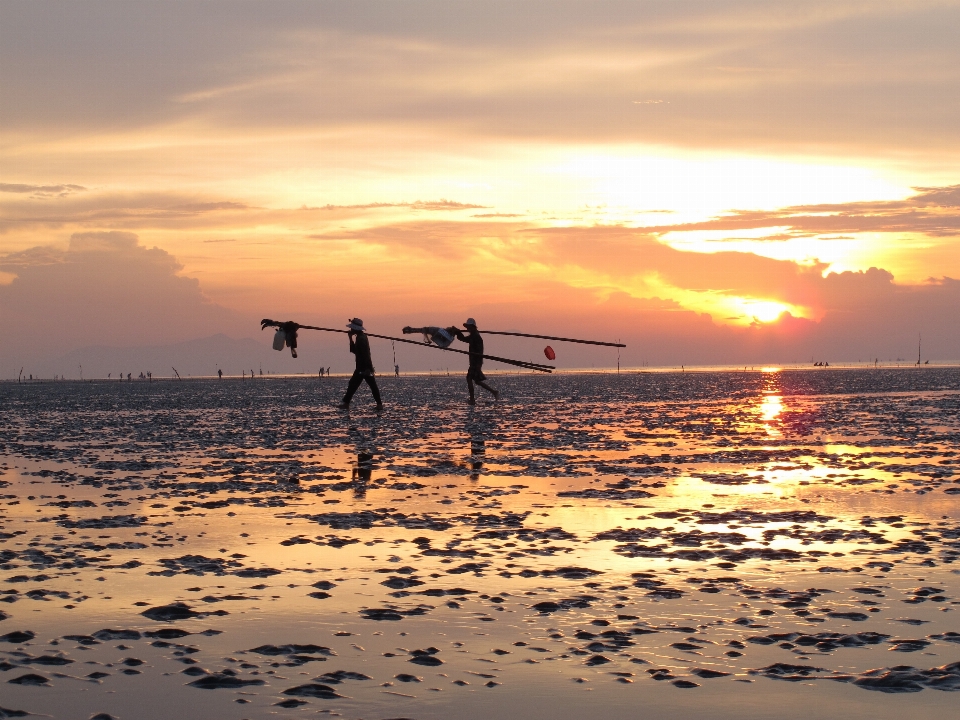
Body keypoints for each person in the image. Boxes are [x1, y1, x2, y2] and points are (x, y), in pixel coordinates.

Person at [339, 318, 383, 411]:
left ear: (355, 329)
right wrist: (350, 338)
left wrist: (367, 368)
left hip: (363, 367)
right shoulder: (360, 337)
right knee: (363, 384)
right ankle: (379, 404)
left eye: (352, 328)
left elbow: (365, 354)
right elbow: (354, 350)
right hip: (362, 366)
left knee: (355, 384)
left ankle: (346, 403)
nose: (351, 330)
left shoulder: (361, 339)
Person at [455, 318, 500, 405]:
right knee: (477, 381)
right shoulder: (473, 336)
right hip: (474, 362)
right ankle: (494, 392)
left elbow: (479, 352)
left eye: (469, 327)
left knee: (469, 379)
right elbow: (464, 339)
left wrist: (478, 363)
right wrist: (457, 332)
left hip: (476, 362)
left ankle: (472, 400)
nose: (467, 329)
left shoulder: (476, 336)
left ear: (473, 327)